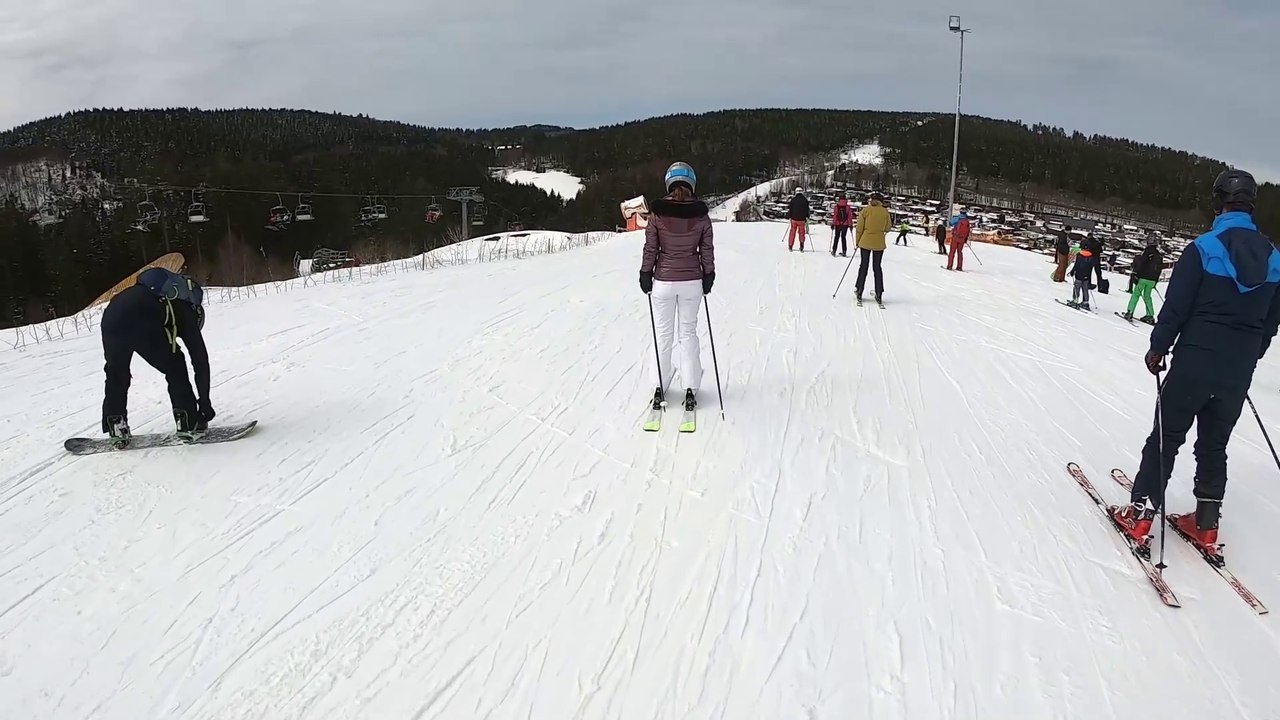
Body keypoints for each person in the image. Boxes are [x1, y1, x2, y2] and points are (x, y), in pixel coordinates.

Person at [1110, 169, 1280, 557]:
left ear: (1218, 201)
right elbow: (1271, 321)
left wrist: (1158, 347)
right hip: (1237, 371)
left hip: (1194, 362)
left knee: (1166, 437)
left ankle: (1139, 514)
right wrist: (1248, 357)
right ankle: (1205, 527)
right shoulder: (1275, 259)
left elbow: (1176, 307)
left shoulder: (1204, 248)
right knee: (1214, 445)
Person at [100, 267, 215, 444]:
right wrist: (205, 404)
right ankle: (187, 421)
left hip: (112, 314)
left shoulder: (164, 294)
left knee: (117, 371)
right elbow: (200, 359)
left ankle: (116, 423)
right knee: (175, 365)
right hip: (142, 315)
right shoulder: (186, 311)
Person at [640, 161, 716, 412]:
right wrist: (709, 275)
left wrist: (645, 273)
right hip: (692, 281)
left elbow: (651, 248)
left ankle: (659, 385)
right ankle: (691, 387)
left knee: (663, 335)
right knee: (688, 334)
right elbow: (706, 250)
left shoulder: (657, 213)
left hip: (663, 281)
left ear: (669, 183)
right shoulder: (701, 215)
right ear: (692, 183)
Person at [854, 192, 892, 304]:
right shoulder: (885, 212)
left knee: (863, 266)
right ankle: (879, 292)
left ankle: (859, 289)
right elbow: (888, 228)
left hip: (865, 241)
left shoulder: (865, 211)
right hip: (879, 243)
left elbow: (859, 228)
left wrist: (857, 242)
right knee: (877, 267)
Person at [1122, 238, 1164, 324]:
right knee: (1147, 296)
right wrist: (1155, 281)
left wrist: (1136, 275)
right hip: (1152, 280)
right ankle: (1150, 315)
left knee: (1136, 294)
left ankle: (1130, 311)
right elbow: (1159, 269)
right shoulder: (1159, 255)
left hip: (1143, 278)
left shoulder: (1147, 252)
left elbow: (1142, 264)